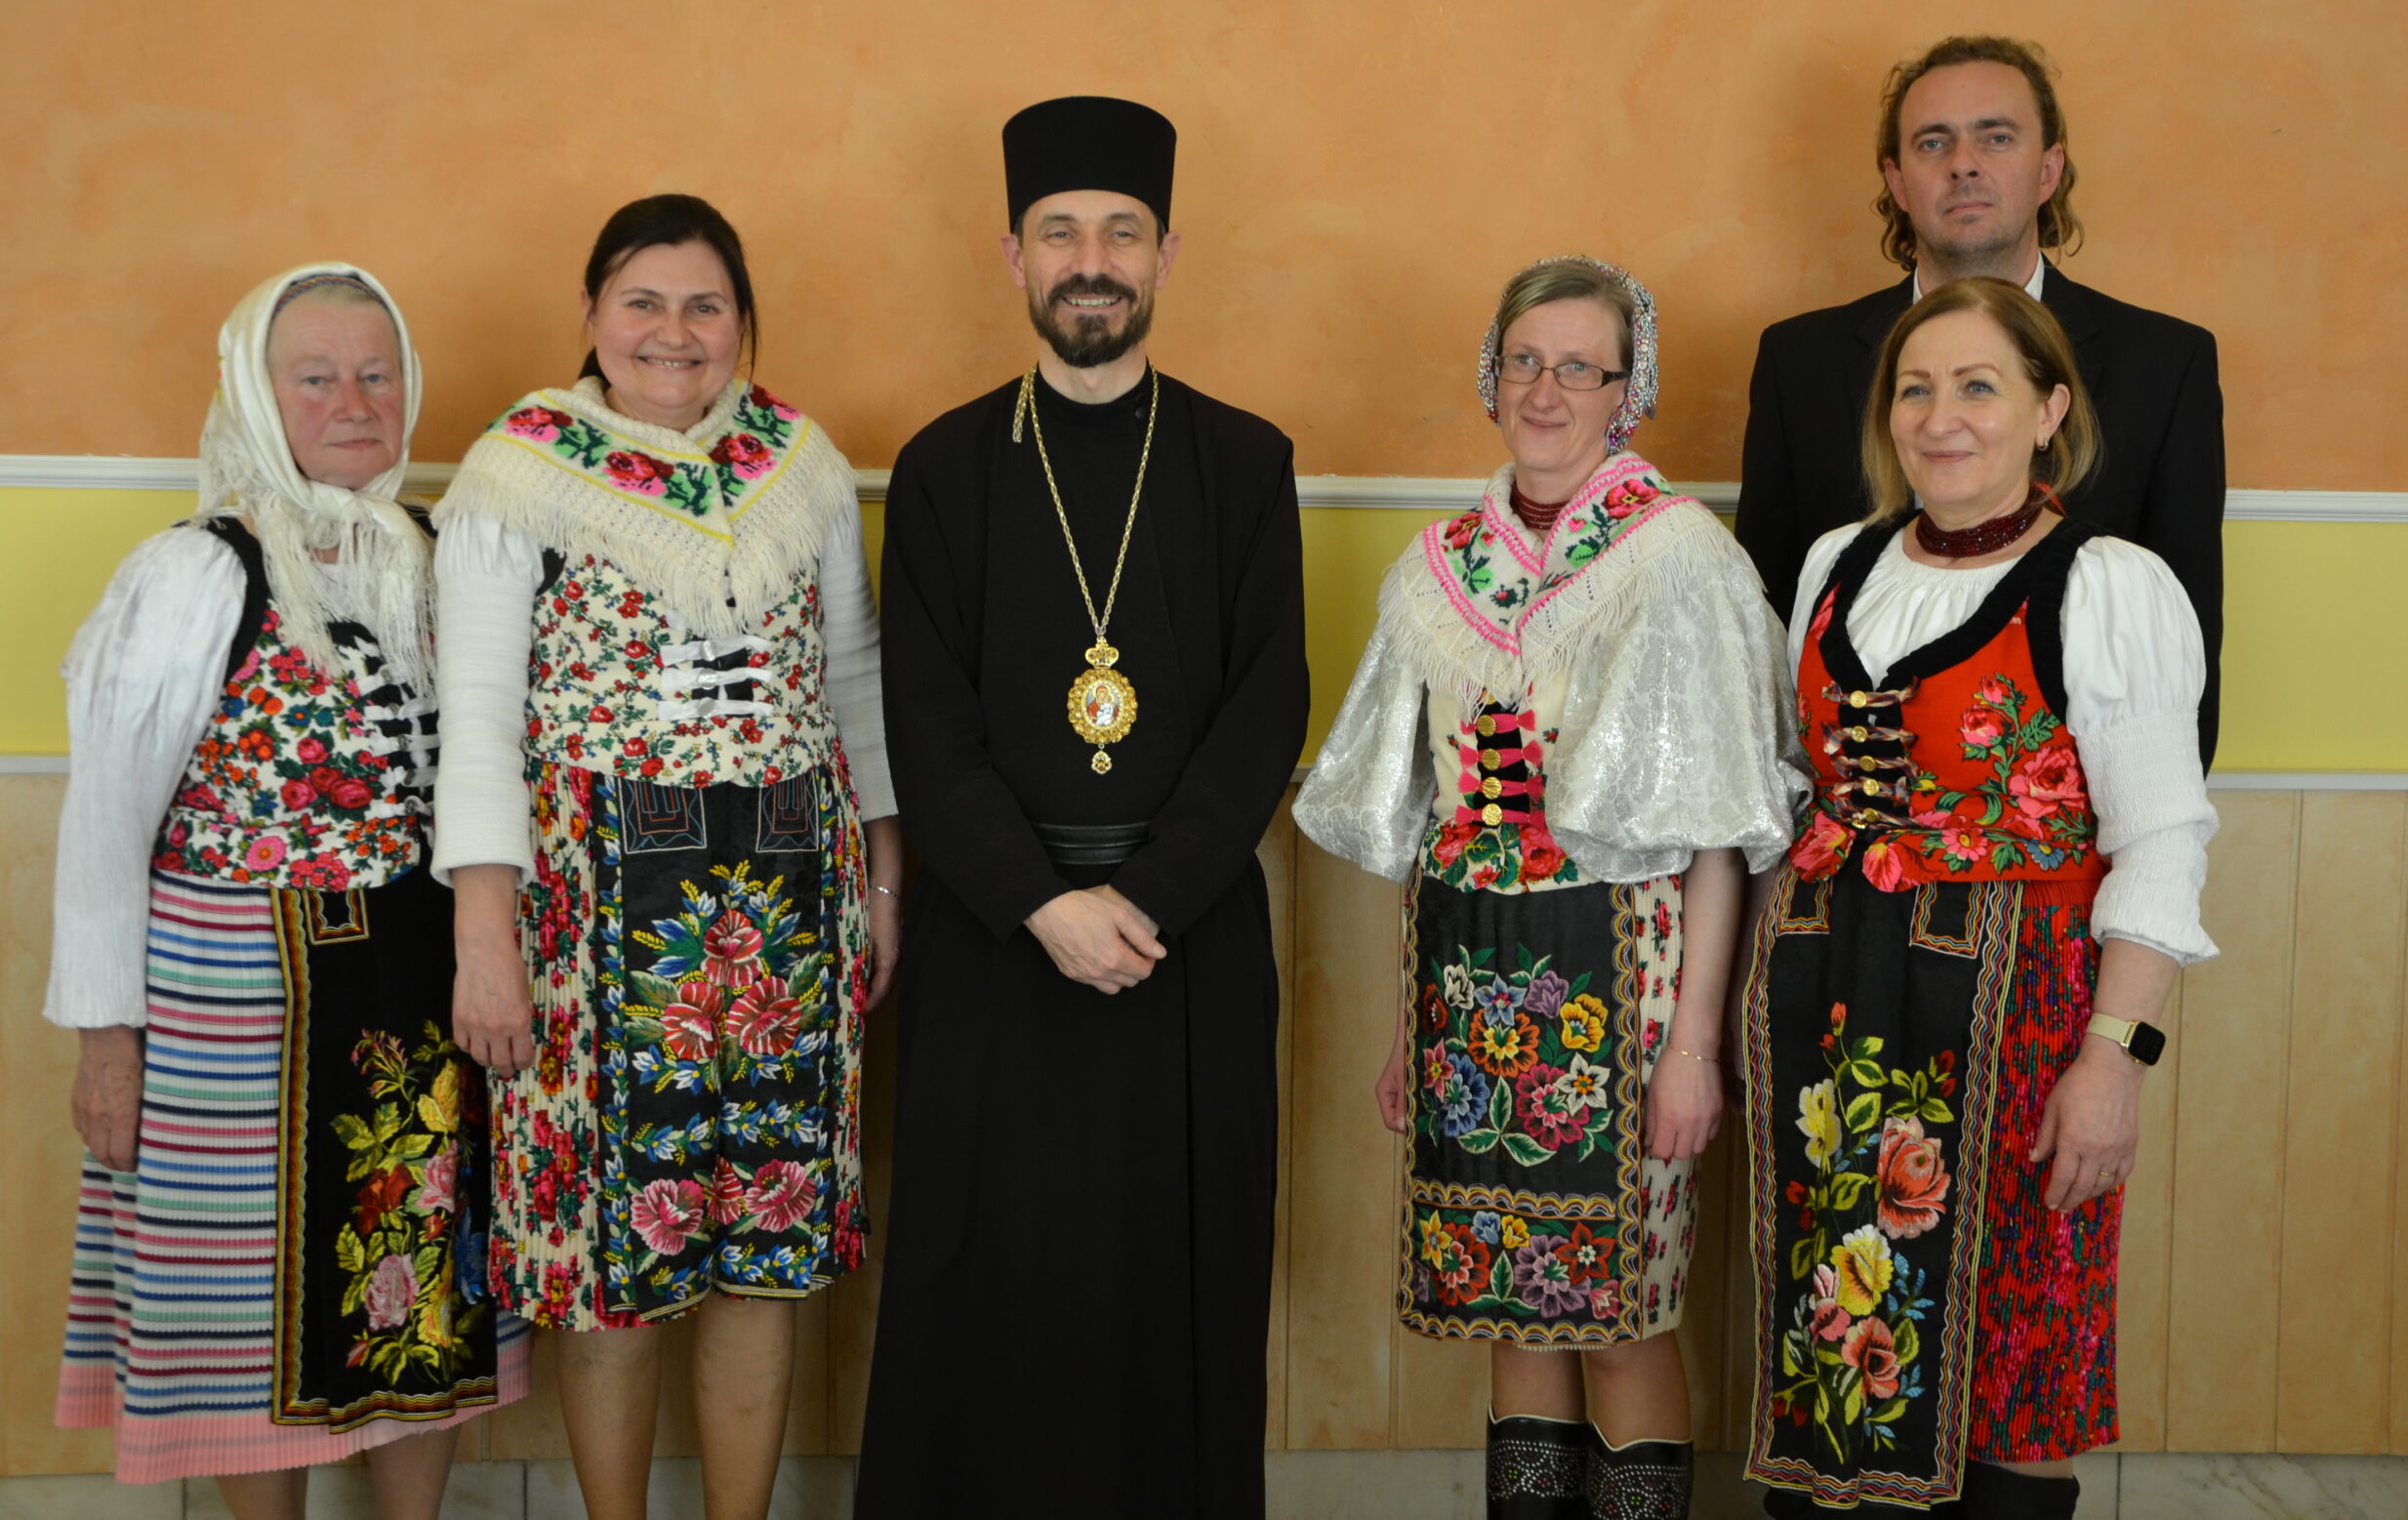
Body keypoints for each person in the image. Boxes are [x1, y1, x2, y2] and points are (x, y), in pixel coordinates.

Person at [855, 96, 1307, 1519]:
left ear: (1166, 254)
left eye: (1120, 231)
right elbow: (925, 727)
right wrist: (1045, 904)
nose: (1090, 260)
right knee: (987, 1286)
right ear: (1014, 256)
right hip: (996, 940)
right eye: (1060, 232)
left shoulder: (1245, 461)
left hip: (1187, 945)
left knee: (1181, 1282)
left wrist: (1144, 896)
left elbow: (1265, 713)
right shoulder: (943, 467)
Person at [1296, 258, 1802, 1520]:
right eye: (1525, 359)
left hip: (1625, 985)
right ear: (1491, 376)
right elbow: (1431, 825)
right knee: (1509, 1305)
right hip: (1468, 980)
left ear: (1628, 392)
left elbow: (1719, 835)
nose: (1546, 389)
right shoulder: (1440, 567)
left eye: (1580, 366)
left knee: (1620, 1318)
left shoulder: (1677, 557)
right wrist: (1412, 1032)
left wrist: (1694, 1047)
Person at [431, 196, 899, 1520]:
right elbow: (480, 720)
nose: (673, 333)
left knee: (764, 1248)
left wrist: (883, 884)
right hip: (588, 916)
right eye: (642, 301)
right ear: (591, 314)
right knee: (609, 1264)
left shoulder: (799, 461)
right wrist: (484, 940)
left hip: (793, 905)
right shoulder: (519, 469)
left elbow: (853, 683)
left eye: (706, 305)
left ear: (742, 322)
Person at [47, 265, 526, 1516]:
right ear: (256, 396)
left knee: (419, 1287)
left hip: (416, 986)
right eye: (315, 378)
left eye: (377, 374)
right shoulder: (195, 572)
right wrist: (107, 1046)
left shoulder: (438, 558)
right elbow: (105, 824)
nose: (353, 403)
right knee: (244, 1306)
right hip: (233, 999)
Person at [1741, 277, 2216, 1518]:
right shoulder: (1835, 563)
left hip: (2023, 1019)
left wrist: (2113, 1062)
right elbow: (1790, 794)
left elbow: (2160, 840)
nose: (1938, 416)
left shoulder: (2108, 584)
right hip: (1834, 1010)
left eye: (1977, 386)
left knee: (2018, 1355)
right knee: (1840, 1347)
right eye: (1914, 389)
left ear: (2049, 410)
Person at [1735, 34, 2225, 766]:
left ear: (2048, 169)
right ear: (1898, 181)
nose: (1963, 163)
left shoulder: (2165, 364)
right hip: (1836, 814)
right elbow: (1763, 636)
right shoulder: (1798, 362)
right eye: (1933, 142)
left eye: (1996, 137)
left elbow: (2185, 651)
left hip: (2066, 822)